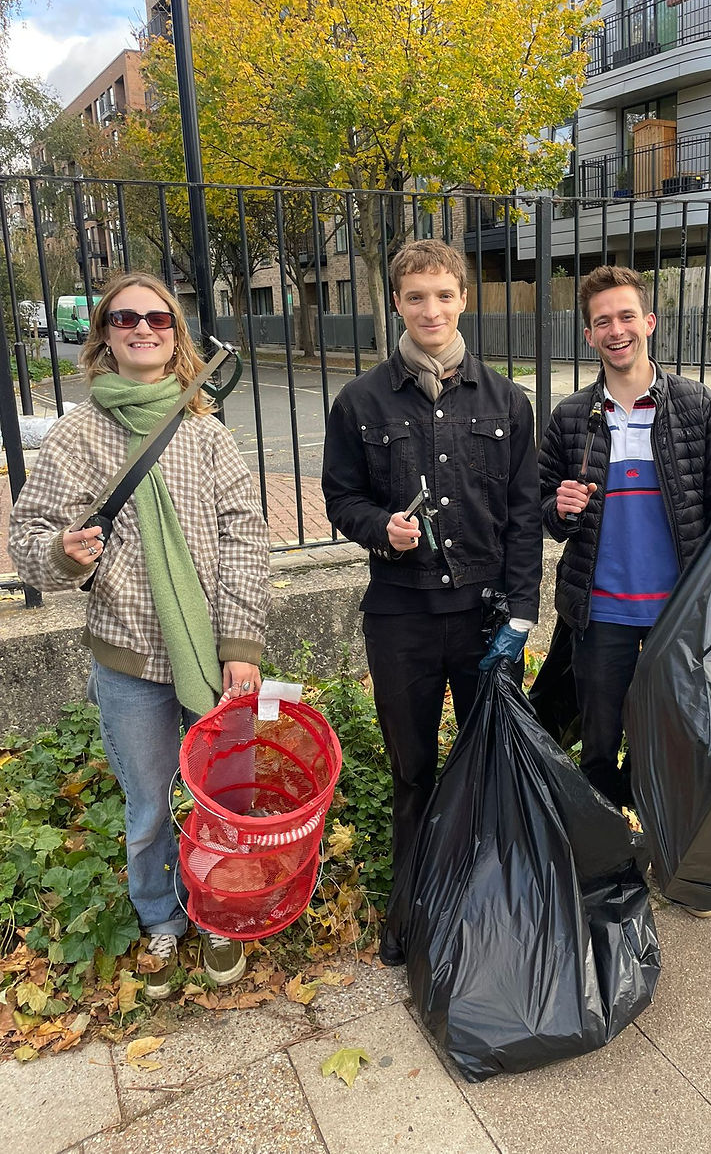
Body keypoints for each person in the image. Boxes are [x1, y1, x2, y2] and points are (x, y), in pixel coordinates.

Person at [9, 272, 270, 1000]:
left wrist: (240, 646)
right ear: (104, 333)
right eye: (125, 318)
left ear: (176, 333)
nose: (143, 328)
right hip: (127, 658)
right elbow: (27, 536)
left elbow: (245, 539)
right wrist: (63, 553)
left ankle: (218, 911)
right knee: (149, 803)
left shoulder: (205, 433)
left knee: (224, 794)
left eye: (158, 317)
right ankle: (161, 914)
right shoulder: (76, 436)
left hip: (214, 655)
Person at [321, 239, 542, 961]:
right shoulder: (360, 401)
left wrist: (521, 612)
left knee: (489, 768)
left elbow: (524, 516)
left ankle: (486, 908)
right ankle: (412, 911)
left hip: (485, 620)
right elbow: (341, 496)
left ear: (463, 299)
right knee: (411, 770)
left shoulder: (507, 401)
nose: (431, 309)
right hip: (401, 620)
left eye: (444, 294)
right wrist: (379, 529)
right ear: (396, 303)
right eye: (416, 296)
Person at [537, 265, 711, 817]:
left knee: (673, 741)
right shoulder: (571, 417)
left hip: (680, 616)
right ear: (588, 335)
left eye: (626, 316)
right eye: (602, 322)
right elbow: (542, 509)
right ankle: (608, 851)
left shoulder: (697, 406)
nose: (616, 330)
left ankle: (662, 840)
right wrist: (559, 509)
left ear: (649, 322)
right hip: (601, 615)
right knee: (599, 746)